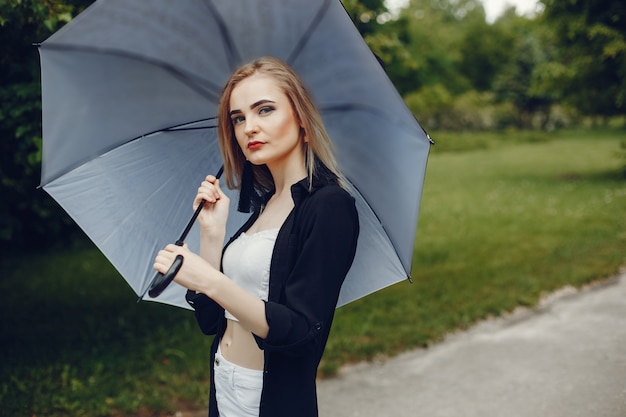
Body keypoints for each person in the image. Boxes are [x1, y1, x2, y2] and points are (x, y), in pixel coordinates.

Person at [153, 56, 359, 417]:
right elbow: (211, 322)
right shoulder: (265, 206)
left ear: (302, 121)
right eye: (238, 118)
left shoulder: (329, 206)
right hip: (224, 381)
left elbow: (300, 332)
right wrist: (212, 235)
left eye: (265, 110)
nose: (249, 127)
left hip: (268, 397)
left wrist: (211, 280)